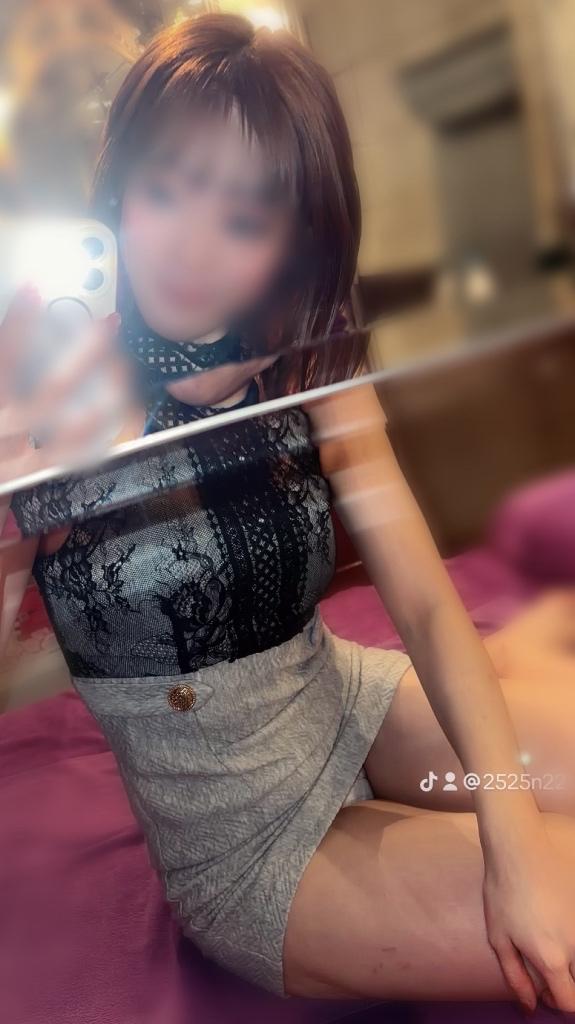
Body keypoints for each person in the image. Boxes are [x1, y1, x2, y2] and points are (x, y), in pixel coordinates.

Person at [2, 13, 575, 1013]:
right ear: (120, 184)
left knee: (531, 816)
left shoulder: (300, 356)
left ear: (292, 238)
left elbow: (425, 605)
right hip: (250, 840)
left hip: (349, 701)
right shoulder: (41, 386)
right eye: (166, 190)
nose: (189, 248)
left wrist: (509, 828)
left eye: (242, 219)